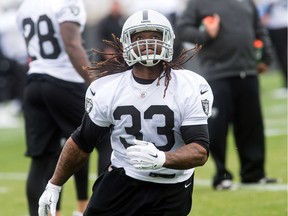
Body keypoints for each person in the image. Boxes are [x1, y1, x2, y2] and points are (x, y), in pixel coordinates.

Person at [37, 9, 213, 216]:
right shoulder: (108, 88)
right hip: (123, 181)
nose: (147, 44)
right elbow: (82, 141)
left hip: (173, 187)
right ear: (126, 43)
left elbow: (200, 150)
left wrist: (163, 158)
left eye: (155, 37)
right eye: (139, 37)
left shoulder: (189, 86)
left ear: (168, 40)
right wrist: (54, 185)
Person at [16, 0, 111, 215]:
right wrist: (94, 82)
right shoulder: (67, 2)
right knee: (104, 137)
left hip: (33, 83)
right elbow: (71, 44)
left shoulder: (25, 7)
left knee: (41, 159)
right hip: (64, 82)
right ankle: (100, 209)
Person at [177, 0, 278, 190]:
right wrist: (206, 34)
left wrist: (266, 57)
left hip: (248, 71)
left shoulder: (246, 1)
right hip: (217, 74)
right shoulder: (198, 3)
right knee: (217, 128)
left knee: (252, 126)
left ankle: (254, 174)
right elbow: (182, 30)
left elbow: (259, 30)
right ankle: (221, 175)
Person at [258, 0, 287, 94]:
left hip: (278, 25)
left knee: (282, 56)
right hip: (283, 22)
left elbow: (268, 5)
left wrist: (264, 17)